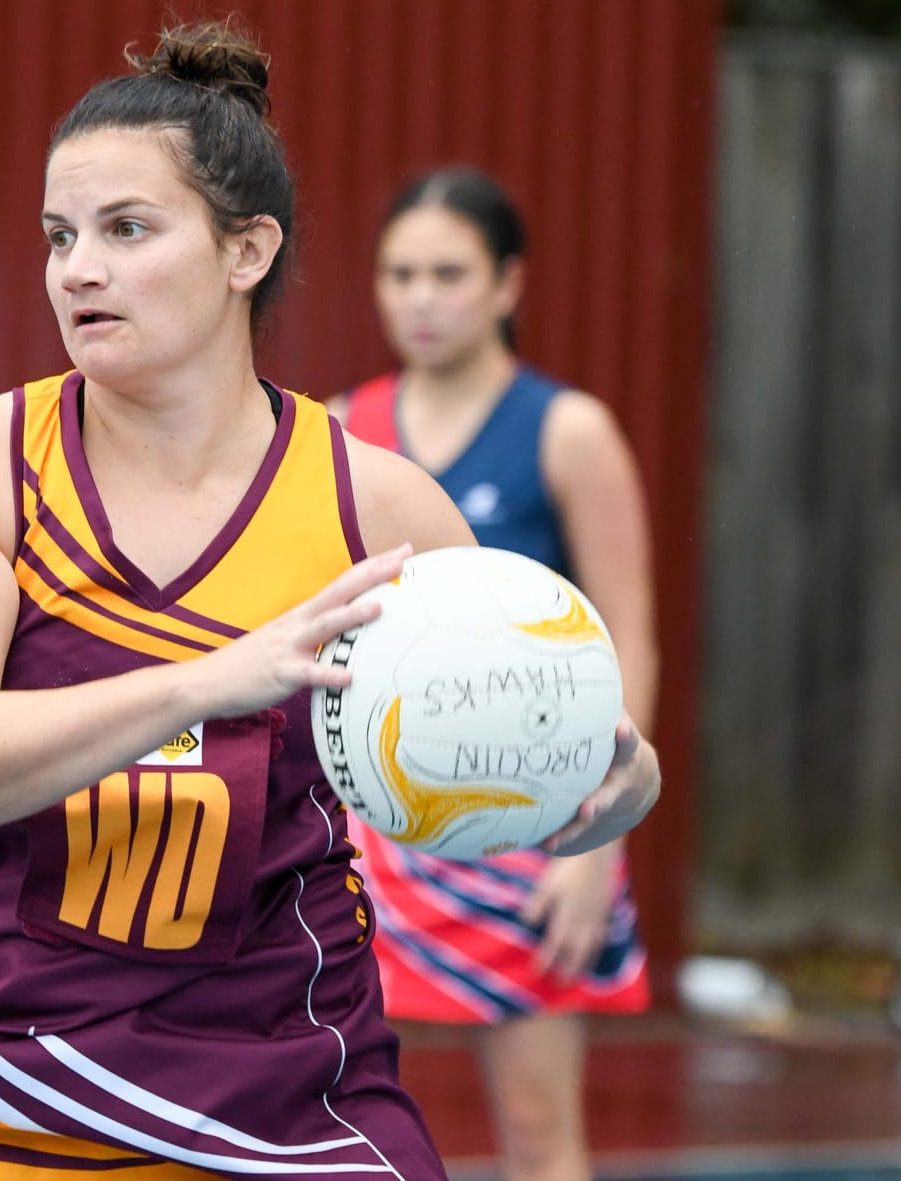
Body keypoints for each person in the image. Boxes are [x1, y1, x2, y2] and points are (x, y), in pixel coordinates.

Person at [0, 26, 662, 1180]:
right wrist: (211, 682)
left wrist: (596, 794)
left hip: (285, 1085)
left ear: (245, 250)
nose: (76, 269)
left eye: (125, 229)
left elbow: (502, 772)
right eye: (59, 235)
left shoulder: (378, 507)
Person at [332, 169, 659, 1181]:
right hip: (372, 827)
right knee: (326, 1114)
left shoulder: (568, 431)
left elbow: (629, 638)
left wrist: (593, 848)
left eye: (448, 273)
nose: (420, 298)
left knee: (535, 1129)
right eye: (399, 274)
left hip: (529, 819)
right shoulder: (339, 427)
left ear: (507, 283)